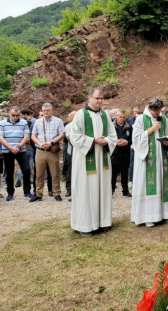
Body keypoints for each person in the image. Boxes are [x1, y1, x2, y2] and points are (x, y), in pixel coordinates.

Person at [69, 87, 117, 236]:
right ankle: (85, 225)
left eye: (102, 98)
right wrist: (93, 140)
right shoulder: (80, 115)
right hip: (86, 160)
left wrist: (106, 141)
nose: (100, 101)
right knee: (86, 189)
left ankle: (103, 222)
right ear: (89, 98)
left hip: (102, 160)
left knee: (102, 189)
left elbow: (112, 135)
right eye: (97, 98)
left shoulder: (105, 115)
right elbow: (74, 136)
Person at [131, 98, 168, 227]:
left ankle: (164, 214)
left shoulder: (164, 119)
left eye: (160, 110)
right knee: (147, 185)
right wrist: (150, 130)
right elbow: (136, 139)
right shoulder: (141, 120)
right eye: (156, 111)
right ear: (150, 109)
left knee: (161, 184)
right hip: (147, 160)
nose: (158, 113)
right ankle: (147, 216)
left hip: (160, 158)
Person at [30, 103, 65, 202]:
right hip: (40, 150)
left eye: (48, 110)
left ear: (52, 111)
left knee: (55, 173)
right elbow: (33, 136)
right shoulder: (38, 122)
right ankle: (39, 194)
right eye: (44, 110)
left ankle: (56, 193)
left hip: (52, 150)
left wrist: (51, 142)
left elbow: (62, 134)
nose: (45, 112)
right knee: (39, 174)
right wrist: (40, 144)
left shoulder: (58, 121)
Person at [0, 107, 32, 201]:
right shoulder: (3, 123)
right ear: (9, 113)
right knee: (9, 172)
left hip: (21, 150)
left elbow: (26, 136)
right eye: (13, 115)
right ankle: (10, 193)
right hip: (7, 150)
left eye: (17, 115)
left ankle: (27, 192)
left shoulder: (24, 122)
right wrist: (10, 148)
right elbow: (0, 138)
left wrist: (19, 147)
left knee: (26, 170)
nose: (15, 117)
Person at [111, 109, 133, 197]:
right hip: (114, 153)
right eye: (120, 117)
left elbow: (133, 139)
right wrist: (115, 142)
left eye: (124, 117)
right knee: (113, 173)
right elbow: (107, 138)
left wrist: (127, 142)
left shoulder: (129, 127)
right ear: (116, 116)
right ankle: (111, 190)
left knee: (125, 173)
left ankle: (125, 191)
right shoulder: (111, 126)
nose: (122, 119)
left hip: (125, 153)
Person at [64, 111, 77, 199]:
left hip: (82, 150)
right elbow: (69, 138)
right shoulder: (69, 126)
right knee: (70, 171)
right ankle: (69, 189)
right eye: (74, 116)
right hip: (71, 150)